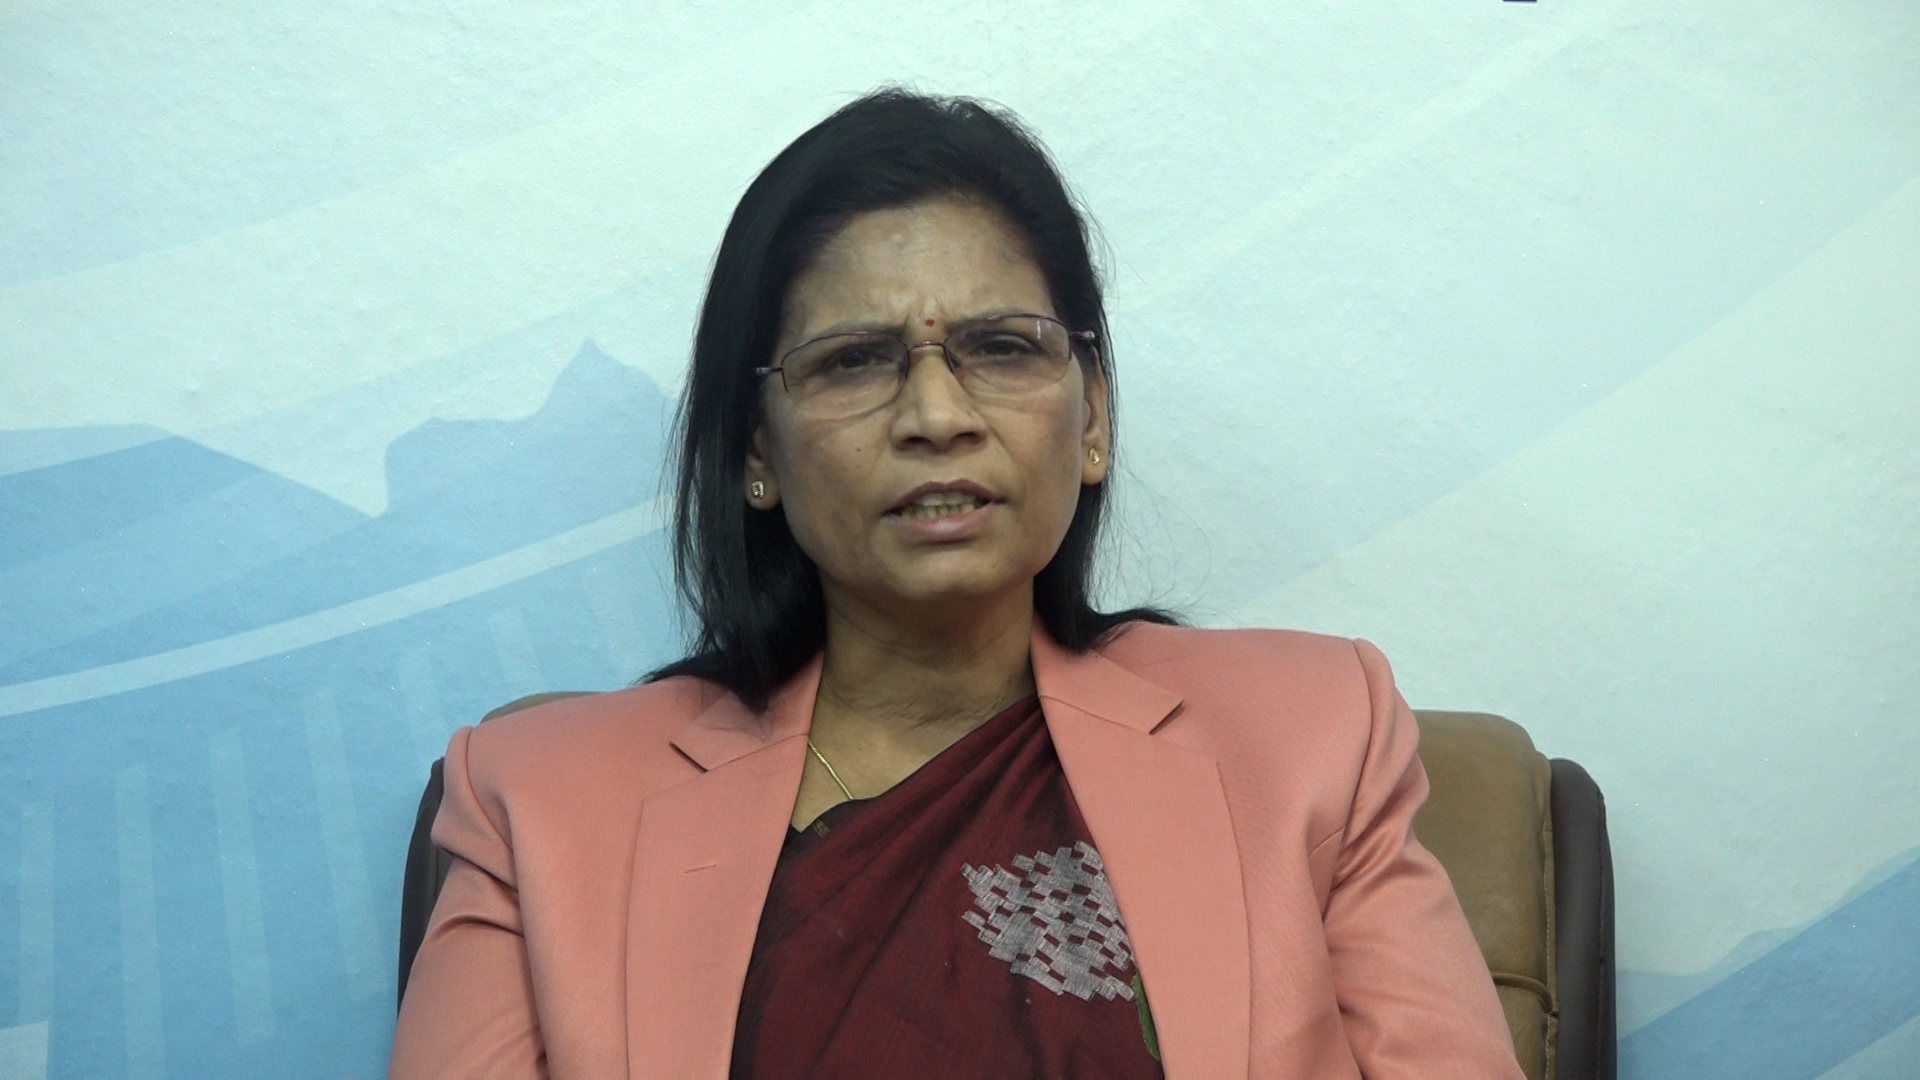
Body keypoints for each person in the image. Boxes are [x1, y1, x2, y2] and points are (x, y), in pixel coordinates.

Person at [390, 89, 1524, 1079]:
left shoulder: (1311, 741)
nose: (937, 415)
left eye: (1001, 347)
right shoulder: (539, 807)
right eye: (854, 361)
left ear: (1094, 417)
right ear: (755, 451)